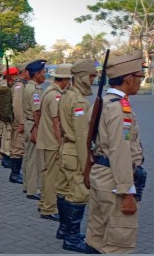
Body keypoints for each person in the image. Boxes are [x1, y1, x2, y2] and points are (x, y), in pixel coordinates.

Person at [85, 50, 143, 254]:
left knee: (97, 236)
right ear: (128, 78)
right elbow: (120, 151)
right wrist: (127, 191)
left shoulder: (107, 102)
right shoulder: (119, 109)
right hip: (115, 183)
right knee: (119, 244)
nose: (141, 82)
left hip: (102, 177)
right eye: (139, 77)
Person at [57, 59, 99, 250]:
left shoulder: (67, 95)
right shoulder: (79, 100)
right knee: (78, 194)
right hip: (76, 152)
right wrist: (86, 167)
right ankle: (71, 239)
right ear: (82, 77)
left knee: (64, 191)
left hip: (67, 150)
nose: (92, 80)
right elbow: (82, 136)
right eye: (91, 76)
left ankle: (64, 230)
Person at [39, 63, 75, 221]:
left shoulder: (50, 91)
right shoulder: (55, 96)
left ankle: (44, 203)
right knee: (52, 177)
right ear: (65, 80)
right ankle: (49, 208)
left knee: (48, 174)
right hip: (53, 141)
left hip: (47, 140)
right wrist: (61, 143)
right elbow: (56, 122)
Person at [24, 59, 49, 197]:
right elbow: (36, 112)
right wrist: (39, 127)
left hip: (29, 124)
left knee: (29, 156)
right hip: (33, 124)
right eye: (43, 72)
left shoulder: (30, 87)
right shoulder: (35, 90)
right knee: (34, 158)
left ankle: (28, 185)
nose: (45, 75)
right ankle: (33, 190)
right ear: (37, 74)